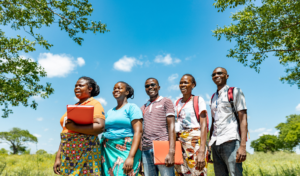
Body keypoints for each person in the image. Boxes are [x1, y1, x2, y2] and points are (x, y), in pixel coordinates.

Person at [53, 76, 106, 176]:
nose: (76, 88)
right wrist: (58, 157)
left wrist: (74, 127)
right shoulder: (74, 106)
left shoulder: (94, 104)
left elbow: (100, 127)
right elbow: (66, 131)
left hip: (85, 150)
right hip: (68, 152)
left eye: (80, 85)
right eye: (75, 86)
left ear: (90, 89)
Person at [208, 67, 248, 176]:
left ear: (227, 76)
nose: (216, 75)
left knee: (235, 174)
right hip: (216, 143)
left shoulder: (235, 91)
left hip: (231, 141)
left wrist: (243, 146)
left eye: (220, 73)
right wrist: (209, 145)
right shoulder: (213, 97)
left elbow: (243, 118)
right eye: (214, 74)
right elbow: (213, 123)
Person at [101, 81, 143, 176]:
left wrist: (131, 157)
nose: (116, 90)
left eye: (119, 88)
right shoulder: (110, 111)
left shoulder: (132, 108)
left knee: (123, 173)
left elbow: (138, 132)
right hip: (108, 150)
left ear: (127, 92)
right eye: (114, 88)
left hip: (126, 149)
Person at [140, 78, 176, 176]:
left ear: (158, 87)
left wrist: (172, 151)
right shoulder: (143, 107)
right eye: (147, 86)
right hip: (146, 149)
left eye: (153, 85)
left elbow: (171, 126)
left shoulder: (166, 101)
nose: (150, 87)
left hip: (162, 146)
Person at [174, 74, 208, 176]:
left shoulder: (198, 100)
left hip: (195, 143)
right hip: (180, 144)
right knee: (182, 173)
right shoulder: (177, 102)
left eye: (186, 82)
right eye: (181, 83)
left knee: (197, 172)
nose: (182, 85)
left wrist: (201, 151)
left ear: (193, 85)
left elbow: (204, 126)